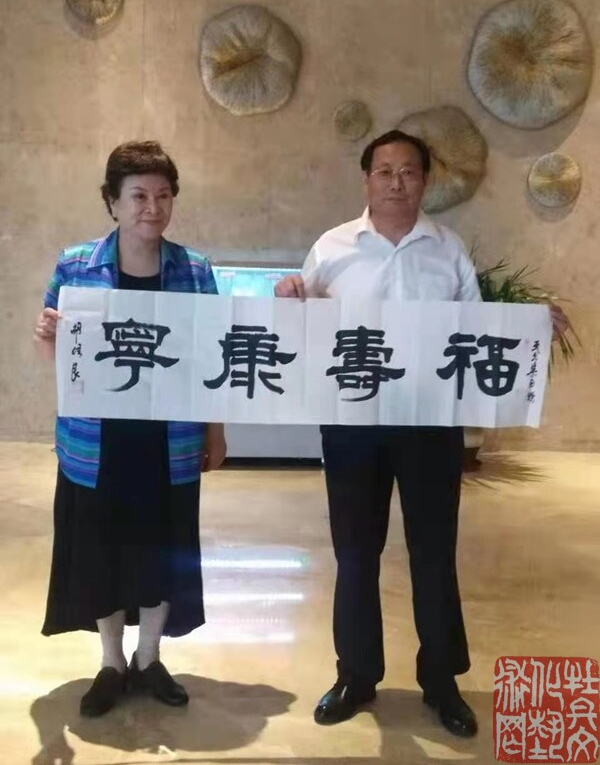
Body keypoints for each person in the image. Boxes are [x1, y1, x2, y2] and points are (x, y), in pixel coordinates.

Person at [275, 130, 569, 736]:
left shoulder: (447, 248)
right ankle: (356, 675)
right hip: (352, 423)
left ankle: (441, 680)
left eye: (408, 171)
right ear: (366, 180)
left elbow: (477, 328)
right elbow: (298, 327)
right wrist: (289, 298)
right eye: (385, 171)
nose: (396, 182)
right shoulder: (332, 247)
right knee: (356, 552)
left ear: (425, 182)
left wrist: (532, 324)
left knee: (434, 553)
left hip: (430, 423)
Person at [33, 141, 227, 718]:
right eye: (138, 196)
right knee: (101, 550)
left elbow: (212, 358)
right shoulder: (76, 265)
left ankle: (149, 658)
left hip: (169, 437)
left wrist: (215, 430)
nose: (153, 207)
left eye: (163, 196)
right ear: (112, 202)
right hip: (97, 439)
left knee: (164, 549)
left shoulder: (194, 271)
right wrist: (48, 337)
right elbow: (56, 355)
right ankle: (112, 662)